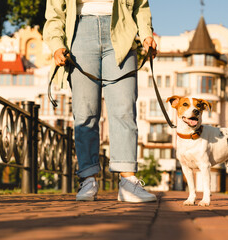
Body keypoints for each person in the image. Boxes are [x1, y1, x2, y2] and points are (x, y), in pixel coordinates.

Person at [43, 0, 157, 202]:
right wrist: (56, 45)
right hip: (79, 33)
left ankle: (128, 181)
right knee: (85, 112)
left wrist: (147, 34)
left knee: (124, 109)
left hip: (122, 30)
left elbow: (141, 5)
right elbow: (54, 12)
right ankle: (88, 178)